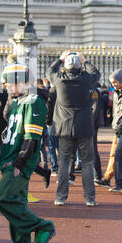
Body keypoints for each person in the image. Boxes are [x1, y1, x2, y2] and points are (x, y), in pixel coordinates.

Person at [0, 62, 55, 243]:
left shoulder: (34, 101)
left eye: (8, 82)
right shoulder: (18, 102)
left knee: (1, 199)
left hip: (17, 163)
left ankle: (43, 226)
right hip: (10, 161)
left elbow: (32, 138)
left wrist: (19, 164)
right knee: (16, 209)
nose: (5, 86)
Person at [46, 51, 101, 206]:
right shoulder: (86, 80)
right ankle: (89, 199)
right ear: (79, 66)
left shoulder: (59, 80)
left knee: (63, 163)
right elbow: (96, 74)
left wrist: (59, 59)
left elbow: (49, 71)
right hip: (84, 126)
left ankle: (60, 197)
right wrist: (86, 61)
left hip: (64, 127)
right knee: (87, 163)